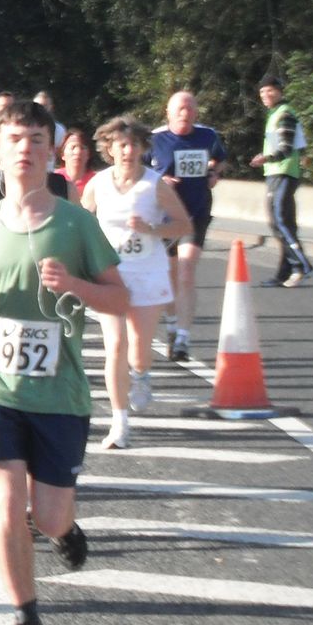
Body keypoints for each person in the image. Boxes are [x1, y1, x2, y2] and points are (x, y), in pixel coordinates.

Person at [0, 100, 125, 625]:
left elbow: (120, 297)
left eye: (36, 140)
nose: (25, 149)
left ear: (52, 151)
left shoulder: (77, 224)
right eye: (14, 139)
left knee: (48, 514)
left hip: (60, 393)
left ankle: (64, 531)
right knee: (3, 506)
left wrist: (73, 284)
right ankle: (27, 619)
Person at [83, 116, 192, 449]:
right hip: (111, 274)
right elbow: (81, 222)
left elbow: (183, 225)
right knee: (115, 346)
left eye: (133, 144)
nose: (127, 150)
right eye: (120, 144)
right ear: (109, 149)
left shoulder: (155, 184)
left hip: (147, 272)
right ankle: (119, 423)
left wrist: (152, 229)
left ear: (143, 148)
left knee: (139, 350)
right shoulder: (98, 184)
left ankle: (142, 375)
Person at [149, 90, 228, 359]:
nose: (185, 113)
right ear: (168, 113)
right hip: (164, 218)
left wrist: (214, 173)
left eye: (190, 108)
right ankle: (172, 325)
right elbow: (140, 171)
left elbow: (220, 158)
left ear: (196, 112)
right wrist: (160, 182)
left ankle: (183, 336)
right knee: (169, 275)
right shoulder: (155, 139)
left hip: (196, 213)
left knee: (185, 270)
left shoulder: (207, 135)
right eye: (180, 109)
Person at [251, 74, 313, 287]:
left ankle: (304, 266)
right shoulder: (275, 114)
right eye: (262, 92)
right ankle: (286, 272)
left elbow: (286, 149)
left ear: (280, 91)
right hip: (275, 173)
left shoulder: (285, 114)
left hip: (283, 173)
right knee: (282, 224)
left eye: (270, 90)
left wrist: (265, 158)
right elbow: (300, 146)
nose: (265, 95)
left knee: (280, 221)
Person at [58, 125, 98, 197]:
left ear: (89, 154)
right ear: (62, 154)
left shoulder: (97, 181)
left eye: (82, 148)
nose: (78, 152)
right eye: (73, 147)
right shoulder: (54, 179)